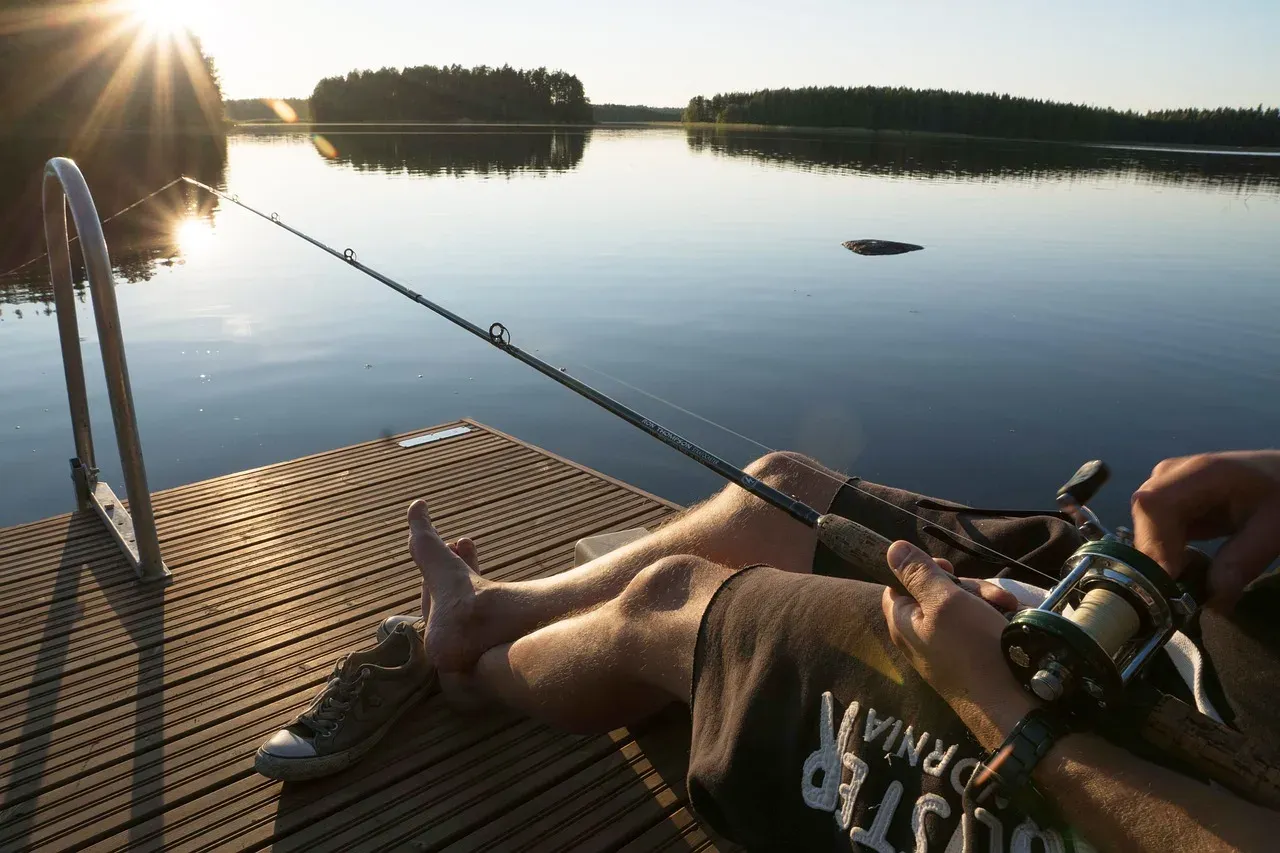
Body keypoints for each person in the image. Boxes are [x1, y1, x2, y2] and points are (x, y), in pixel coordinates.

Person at [257, 450, 1280, 851]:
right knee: (780, 492)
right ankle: (485, 612)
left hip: (1124, 780)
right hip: (1169, 651)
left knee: (667, 601)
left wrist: (1013, 719)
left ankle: (468, 672)